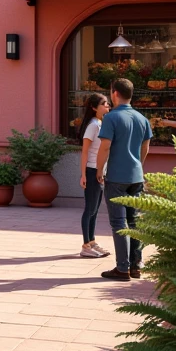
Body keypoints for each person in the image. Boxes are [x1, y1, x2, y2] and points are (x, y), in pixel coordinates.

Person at [96, 78, 152, 282]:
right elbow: (146, 147)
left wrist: (99, 169)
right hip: (136, 176)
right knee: (134, 222)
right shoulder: (141, 118)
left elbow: (105, 146)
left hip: (117, 177)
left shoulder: (111, 118)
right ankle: (136, 265)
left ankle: (122, 268)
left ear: (115, 93)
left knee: (119, 223)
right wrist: (138, 164)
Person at [78, 93, 111, 258]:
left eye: (107, 104)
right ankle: (86, 245)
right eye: (104, 104)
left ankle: (92, 242)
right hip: (91, 171)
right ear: (94, 107)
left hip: (99, 172)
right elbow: (84, 152)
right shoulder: (93, 126)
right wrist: (83, 175)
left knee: (95, 210)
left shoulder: (101, 124)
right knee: (90, 209)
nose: (107, 106)